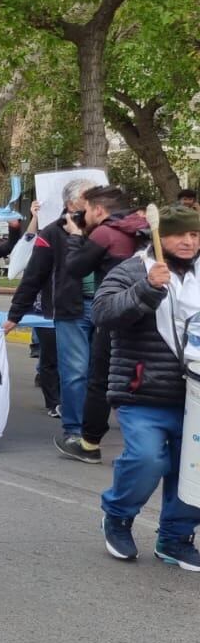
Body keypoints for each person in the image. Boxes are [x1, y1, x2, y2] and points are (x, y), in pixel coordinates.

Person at [94, 206, 200, 565]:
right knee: (146, 459)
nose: (188, 242)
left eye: (195, 235)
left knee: (193, 470)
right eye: (180, 234)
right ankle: (118, 516)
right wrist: (147, 288)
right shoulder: (132, 270)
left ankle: (175, 538)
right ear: (159, 235)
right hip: (145, 391)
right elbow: (104, 314)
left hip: (195, 397)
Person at [60, 185, 150, 463]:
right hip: (148, 313)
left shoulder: (105, 232)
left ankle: (89, 443)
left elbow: (75, 268)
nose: (83, 216)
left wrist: (76, 237)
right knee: (142, 377)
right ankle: (150, 440)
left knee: (100, 379)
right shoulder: (144, 229)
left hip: (113, 313)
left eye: (86, 210)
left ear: (98, 209)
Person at [5, 180, 97, 436]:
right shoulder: (52, 233)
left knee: (96, 370)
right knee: (75, 369)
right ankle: (75, 430)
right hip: (71, 310)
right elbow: (33, 276)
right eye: (89, 197)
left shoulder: (104, 230)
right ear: (71, 204)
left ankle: (92, 425)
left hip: (104, 307)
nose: (95, 202)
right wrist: (15, 315)